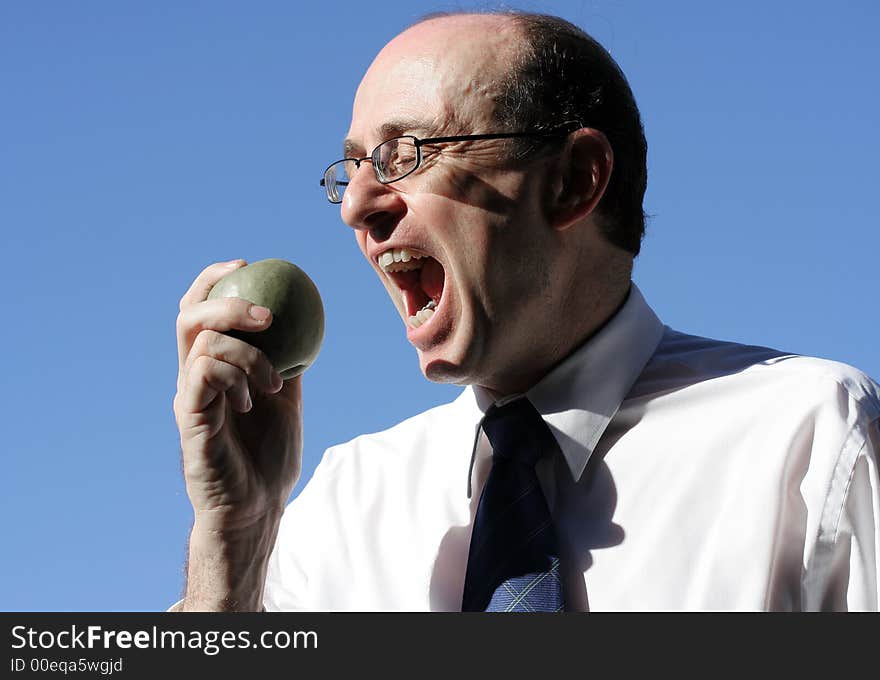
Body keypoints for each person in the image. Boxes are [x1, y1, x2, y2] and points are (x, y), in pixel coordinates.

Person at [171, 11, 880, 611]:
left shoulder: (812, 444)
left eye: (404, 154)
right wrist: (235, 538)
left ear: (574, 182)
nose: (357, 204)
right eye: (352, 166)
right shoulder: (343, 510)